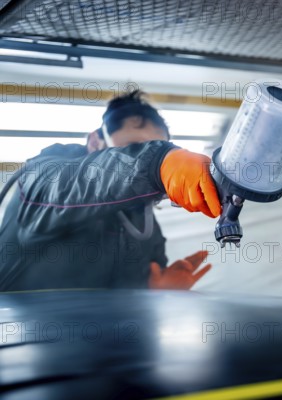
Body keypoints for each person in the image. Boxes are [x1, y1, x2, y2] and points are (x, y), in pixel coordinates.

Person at [0, 90, 221, 291]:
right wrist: (156, 161)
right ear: (96, 140)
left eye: (153, 147)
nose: (142, 153)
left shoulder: (145, 223)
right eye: (134, 146)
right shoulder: (45, 175)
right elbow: (70, 187)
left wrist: (156, 288)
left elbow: (128, 293)